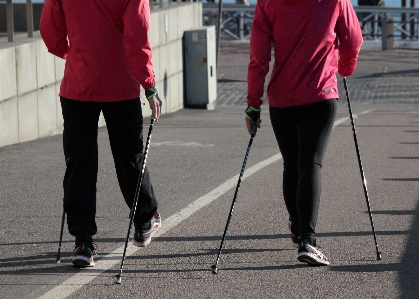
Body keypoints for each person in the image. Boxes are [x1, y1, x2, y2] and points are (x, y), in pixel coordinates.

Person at [39, 0, 162, 267]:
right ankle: (143, 219)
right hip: (121, 85)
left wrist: (72, 54)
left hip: (78, 84)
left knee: (79, 163)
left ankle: (83, 242)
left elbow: (50, 32)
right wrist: (149, 84)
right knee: (129, 156)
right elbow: (136, 36)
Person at [245, 0, 362, 266]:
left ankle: (299, 231)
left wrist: (253, 103)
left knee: (292, 164)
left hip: (282, 98)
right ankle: (308, 241)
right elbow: (353, 39)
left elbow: (258, 54)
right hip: (321, 94)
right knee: (310, 163)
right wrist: (345, 68)